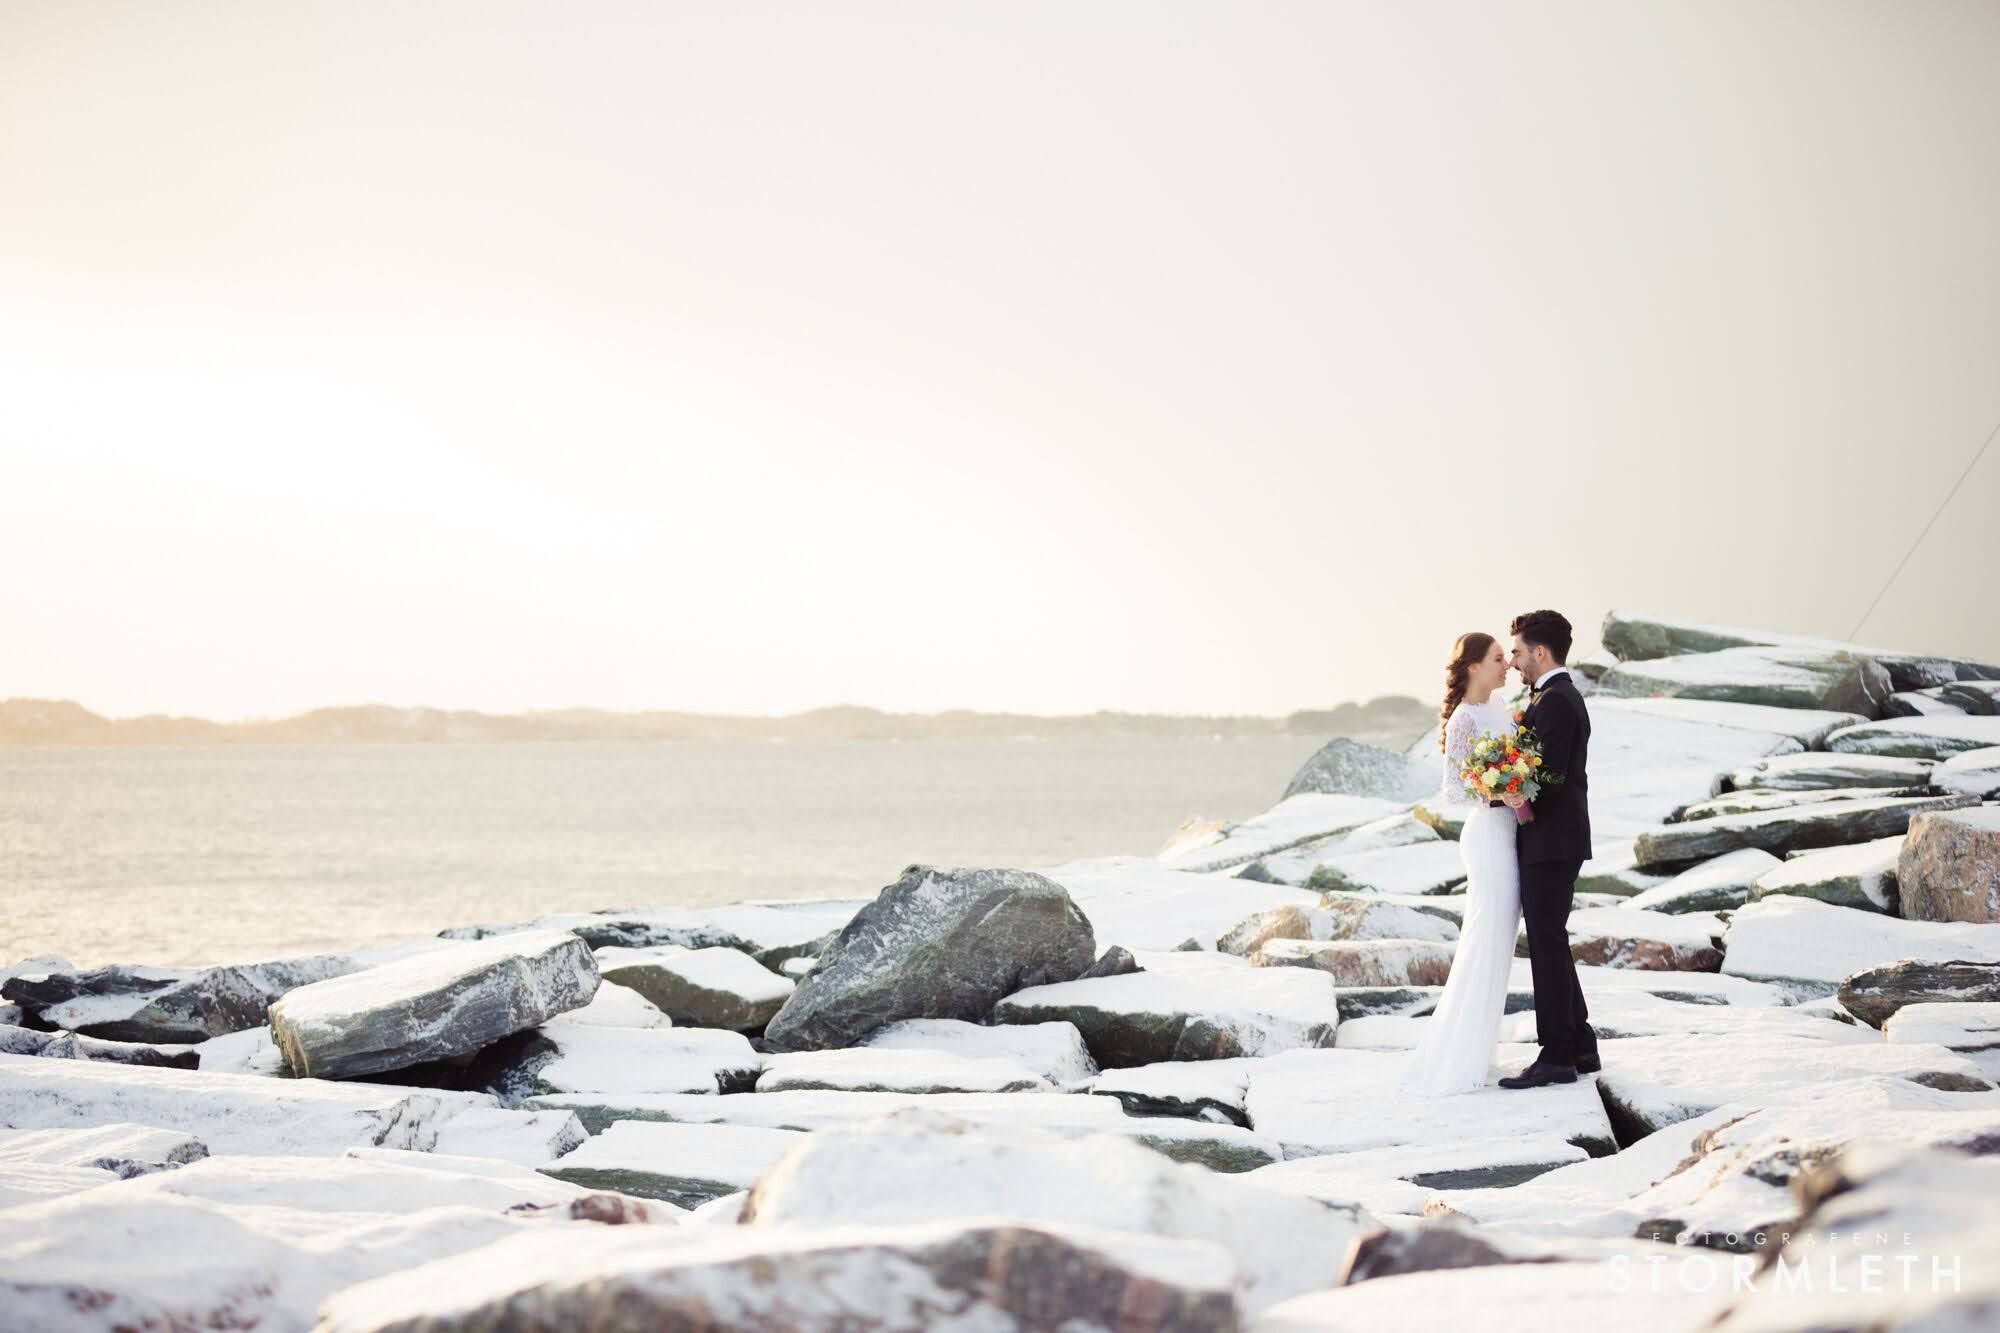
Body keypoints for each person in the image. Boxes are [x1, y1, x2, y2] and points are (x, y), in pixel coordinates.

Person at [1397, 631, 1523, 1096]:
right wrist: (1500, 791)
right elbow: (1453, 791)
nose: (1506, 665)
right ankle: (1459, 1060)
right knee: (1485, 938)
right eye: (1496, 659)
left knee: (1500, 942)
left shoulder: (1502, 710)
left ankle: (1480, 1048)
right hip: (1488, 836)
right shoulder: (1464, 720)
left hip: (1511, 832)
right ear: (1472, 666)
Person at [1496, 607, 1602, 1088]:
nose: (1513, 662)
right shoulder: (1552, 696)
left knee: (1545, 943)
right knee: (1551, 940)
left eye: (1517, 652)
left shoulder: (1558, 700)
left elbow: (1554, 775)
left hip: (1552, 840)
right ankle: (1579, 1044)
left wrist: (1509, 786)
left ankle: (1557, 1055)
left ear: (1540, 652)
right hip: (1553, 839)